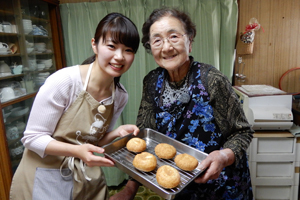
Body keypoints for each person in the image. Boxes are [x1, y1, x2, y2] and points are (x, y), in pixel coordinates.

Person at [110, 7, 254, 200]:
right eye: (157, 40)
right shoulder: (151, 82)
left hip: (222, 186)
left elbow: (242, 132)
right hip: (178, 187)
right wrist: (130, 188)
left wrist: (224, 156)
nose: (167, 47)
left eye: (174, 37)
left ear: (190, 41)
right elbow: (145, 137)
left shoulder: (212, 79)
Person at [10, 12, 140, 200]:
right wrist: (76, 151)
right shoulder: (65, 82)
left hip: (83, 178)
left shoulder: (119, 95)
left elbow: (93, 141)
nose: (119, 57)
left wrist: (116, 133)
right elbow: (32, 138)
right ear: (94, 44)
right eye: (111, 46)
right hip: (46, 175)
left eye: (128, 50)